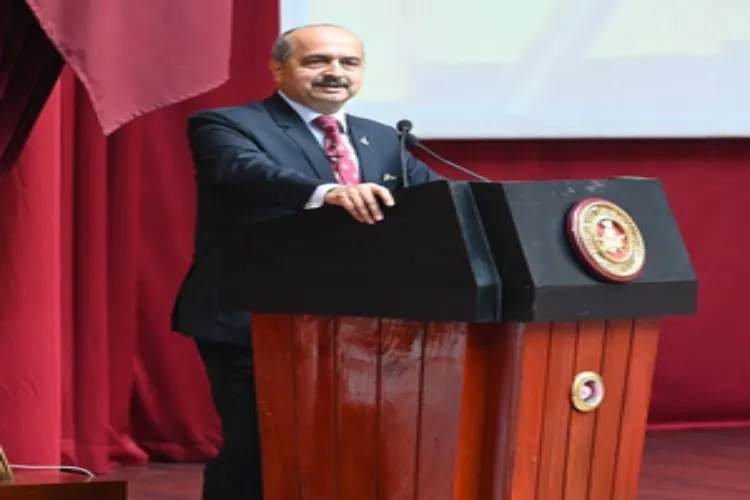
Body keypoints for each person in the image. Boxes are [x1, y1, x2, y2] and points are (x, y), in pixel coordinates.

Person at [171, 23, 442, 499]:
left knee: (345, 449)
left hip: (355, 326)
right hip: (250, 319)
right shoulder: (226, 124)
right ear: (279, 68)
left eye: (348, 63)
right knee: (259, 449)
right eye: (317, 61)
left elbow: (438, 199)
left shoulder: (383, 140)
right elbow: (245, 171)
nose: (335, 73)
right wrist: (327, 193)